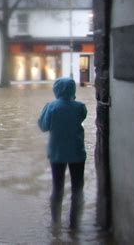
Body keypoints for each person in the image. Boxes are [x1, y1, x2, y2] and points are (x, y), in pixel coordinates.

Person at [38, 77, 87, 228]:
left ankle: (56, 223)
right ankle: (74, 225)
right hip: (77, 153)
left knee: (57, 188)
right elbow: (82, 116)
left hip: (57, 154)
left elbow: (43, 126)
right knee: (77, 189)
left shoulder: (51, 106)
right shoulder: (80, 106)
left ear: (56, 89)